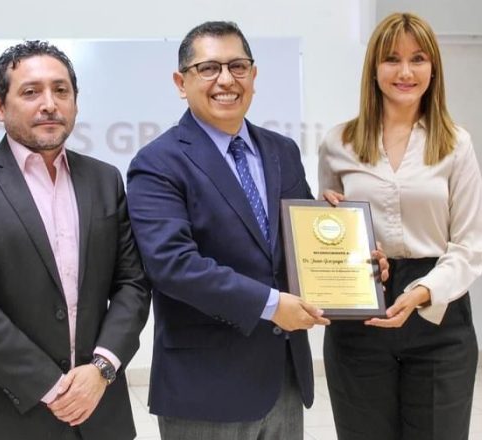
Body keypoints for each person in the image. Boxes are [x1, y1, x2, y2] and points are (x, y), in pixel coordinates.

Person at [126, 21, 358, 440]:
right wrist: (270, 305)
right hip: (205, 386)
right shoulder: (157, 162)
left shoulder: (281, 151)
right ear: (182, 82)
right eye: (209, 68)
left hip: (283, 376)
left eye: (238, 66)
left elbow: (297, 247)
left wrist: (352, 259)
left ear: (254, 76)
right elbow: (172, 265)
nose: (226, 80)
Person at [0, 40, 150, 440]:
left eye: (61, 90)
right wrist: (53, 387)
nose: (49, 103)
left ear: (75, 103)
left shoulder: (104, 180)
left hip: (100, 408)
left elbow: (131, 284)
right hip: (6, 411)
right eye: (31, 92)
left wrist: (101, 369)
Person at [318, 12, 482, 440]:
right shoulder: (338, 143)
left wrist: (420, 292)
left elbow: (470, 244)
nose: (406, 72)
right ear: (374, 68)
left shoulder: (455, 143)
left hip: (437, 313)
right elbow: (328, 228)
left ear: (434, 68)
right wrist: (325, 220)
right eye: (392, 59)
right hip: (360, 313)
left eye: (418, 59)